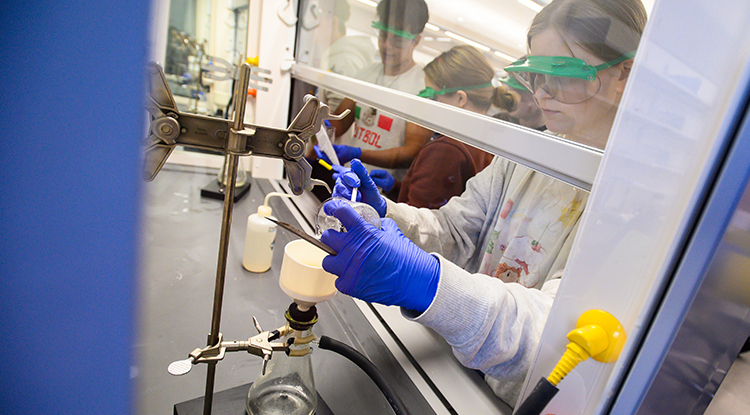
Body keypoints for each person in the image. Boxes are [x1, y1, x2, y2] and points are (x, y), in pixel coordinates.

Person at [318, 0, 647, 406]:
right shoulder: (534, 150)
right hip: (456, 361)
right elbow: (457, 229)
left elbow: (552, 337)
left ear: (624, 75)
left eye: (561, 76)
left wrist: (430, 285)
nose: (542, 93)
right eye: (534, 75)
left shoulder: (640, 199)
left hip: (519, 399)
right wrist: (390, 213)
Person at [368, 45, 519, 209]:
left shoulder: (445, 150)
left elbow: (416, 223)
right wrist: (397, 187)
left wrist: (375, 205)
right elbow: (443, 204)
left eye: (433, 96)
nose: (429, 105)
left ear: (460, 99)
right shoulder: (487, 142)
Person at [321, 0, 433, 182]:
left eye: (397, 40)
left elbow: (410, 154)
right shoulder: (366, 73)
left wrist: (357, 153)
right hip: (349, 179)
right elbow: (339, 123)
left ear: (416, 40)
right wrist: (318, 128)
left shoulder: (421, 87)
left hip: (383, 193)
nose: (387, 46)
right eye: (382, 36)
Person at [315, 0, 378, 111]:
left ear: (333, 22)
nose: (314, 26)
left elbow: (336, 119)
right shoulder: (334, 56)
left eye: (318, 19)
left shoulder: (343, 60)